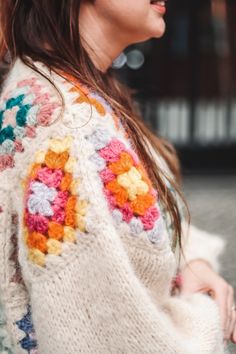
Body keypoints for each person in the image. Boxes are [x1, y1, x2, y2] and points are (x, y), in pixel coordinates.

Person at [0, 1, 235, 353]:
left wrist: (191, 264)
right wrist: (208, 314)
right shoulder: (67, 130)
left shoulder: (72, 88)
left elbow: (150, 220)